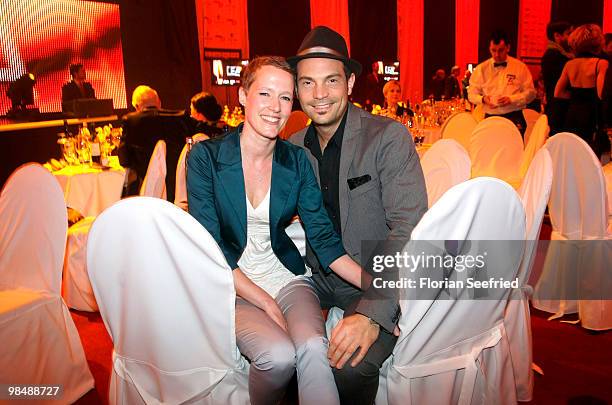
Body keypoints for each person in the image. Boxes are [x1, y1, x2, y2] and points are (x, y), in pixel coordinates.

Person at [187, 56, 367, 405]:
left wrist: (381, 286)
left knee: (315, 347)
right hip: (231, 283)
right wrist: (265, 302)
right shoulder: (205, 158)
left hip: (286, 277)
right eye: (265, 94)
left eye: (285, 97)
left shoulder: (295, 161)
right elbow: (212, 249)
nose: (276, 107)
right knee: (278, 356)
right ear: (242, 96)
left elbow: (325, 241)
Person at [288, 26, 427, 404]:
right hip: (312, 278)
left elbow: (408, 229)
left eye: (330, 81)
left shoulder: (386, 138)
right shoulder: (292, 147)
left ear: (349, 82)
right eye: (307, 83)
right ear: (296, 89)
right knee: (270, 353)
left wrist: (372, 313)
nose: (319, 95)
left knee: (346, 369)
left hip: (372, 276)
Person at [118, 85, 190, 201]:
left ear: (137, 107)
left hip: (146, 190)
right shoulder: (181, 117)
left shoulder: (130, 120)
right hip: (179, 188)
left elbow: (124, 160)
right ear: (159, 103)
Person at [555, 24, 609, 157]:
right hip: (591, 115)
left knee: (574, 153)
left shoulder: (569, 64)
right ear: (597, 43)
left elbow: (558, 93)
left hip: (572, 113)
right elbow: (601, 93)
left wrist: (576, 96)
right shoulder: (601, 63)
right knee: (590, 155)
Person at [468, 31, 536, 136]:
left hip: (514, 116)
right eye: (493, 50)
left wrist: (512, 99)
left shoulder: (520, 67)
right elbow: (471, 94)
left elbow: (531, 93)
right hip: (491, 117)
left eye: (500, 50)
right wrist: (483, 99)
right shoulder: (482, 69)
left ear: (508, 48)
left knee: (515, 150)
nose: (497, 55)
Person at [541, 21, 573, 133]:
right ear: (557, 36)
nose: (571, 37)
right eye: (568, 33)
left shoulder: (560, 55)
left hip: (558, 109)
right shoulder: (554, 56)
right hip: (558, 110)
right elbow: (559, 87)